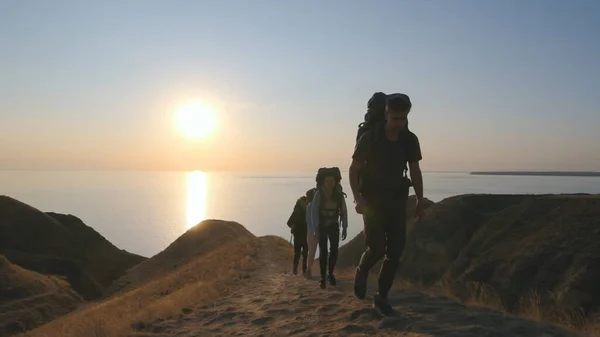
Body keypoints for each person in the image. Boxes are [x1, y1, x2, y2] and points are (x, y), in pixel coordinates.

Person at [349, 93, 425, 315]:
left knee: (396, 250)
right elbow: (353, 170)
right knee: (377, 247)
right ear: (385, 114)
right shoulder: (370, 138)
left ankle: (382, 296)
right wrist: (358, 197)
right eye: (394, 118)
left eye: (402, 119)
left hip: (396, 201)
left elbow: (415, 171)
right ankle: (362, 269)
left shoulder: (409, 140)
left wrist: (420, 201)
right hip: (372, 201)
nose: (398, 123)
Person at [309, 168, 348, 289]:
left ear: (336, 182)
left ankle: (330, 273)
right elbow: (314, 212)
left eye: (332, 181)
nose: (330, 184)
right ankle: (322, 277)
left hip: (334, 225)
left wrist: (345, 227)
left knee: (334, 250)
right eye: (327, 181)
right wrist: (315, 229)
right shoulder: (319, 194)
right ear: (323, 182)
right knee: (323, 251)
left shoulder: (338, 195)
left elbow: (344, 211)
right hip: (322, 225)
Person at [286, 188, 316, 276]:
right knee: (297, 253)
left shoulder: (308, 211)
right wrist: (293, 226)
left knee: (305, 253)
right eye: (303, 202)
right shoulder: (296, 212)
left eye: (305, 202)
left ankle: (304, 270)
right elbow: (289, 222)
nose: (304, 204)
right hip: (298, 235)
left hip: (306, 235)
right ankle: (295, 269)